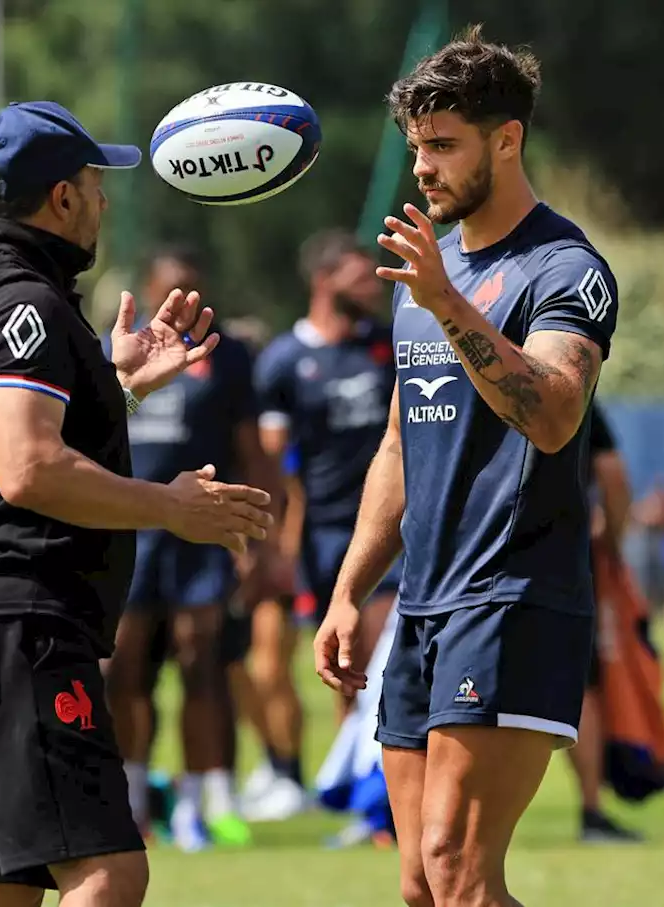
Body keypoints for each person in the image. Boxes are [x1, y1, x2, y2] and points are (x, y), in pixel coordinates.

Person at [0, 100, 274, 907]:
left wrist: (118, 388)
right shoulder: (22, 306)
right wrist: (171, 505)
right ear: (62, 198)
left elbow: (6, 444)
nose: (104, 200)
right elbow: (28, 469)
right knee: (108, 870)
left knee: (2, 890)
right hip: (19, 623)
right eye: (93, 182)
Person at [314, 27, 620, 907]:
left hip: (515, 595)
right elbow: (401, 445)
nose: (423, 168)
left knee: (458, 871)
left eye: (443, 145)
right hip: (421, 601)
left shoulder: (563, 267)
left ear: (506, 139)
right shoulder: (431, 273)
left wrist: (446, 304)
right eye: (417, 148)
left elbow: (556, 415)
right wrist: (349, 590)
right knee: (421, 884)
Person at [103, 245, 282, 852]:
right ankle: (131, 802)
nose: (183, 299)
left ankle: (203, 803)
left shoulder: (227, 357)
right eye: (171, 288)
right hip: (133, 526)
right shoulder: (120, 349)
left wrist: (263, 539)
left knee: (199, 658)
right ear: (152, 288)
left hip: (203, 530)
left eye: (192, 288)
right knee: (125, 666)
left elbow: (254, 450)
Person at [249, 228, 402, 814]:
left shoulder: (385, 346)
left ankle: (379, 793)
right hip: (323, 535)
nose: (370, 283)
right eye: (358, 274)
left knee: (387, 653)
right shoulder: (285, 362)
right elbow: (275, 468)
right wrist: (280, 547)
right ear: (324, 280)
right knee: (346, 667)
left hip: (391, 528)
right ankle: (355, 793)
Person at [570, 401, 641, 842]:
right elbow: (613, 475)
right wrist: (612, 543)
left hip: (463, 558)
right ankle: (592, 809)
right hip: (563, 560)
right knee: (578, 685)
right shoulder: (570, 382)